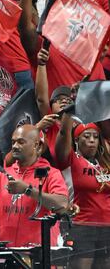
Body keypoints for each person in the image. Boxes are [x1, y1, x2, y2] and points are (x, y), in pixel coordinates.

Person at [0, 125, 68, 247]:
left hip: (39, 255)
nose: (15, 146)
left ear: (37, 146)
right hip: (7, 254)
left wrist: (28, 190)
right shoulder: (3, 174)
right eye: (13, 142)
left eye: (21, 142)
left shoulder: (51, 173)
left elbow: (62, 205)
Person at [55, 114, 110, 268]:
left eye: (95, 137)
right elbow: (64, 134)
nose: (92, 140)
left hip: (107, 227)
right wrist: (69, 114)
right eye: (86, 136)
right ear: (77, 140)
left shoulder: (105, 163)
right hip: (81, 226)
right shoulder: (71, 160)